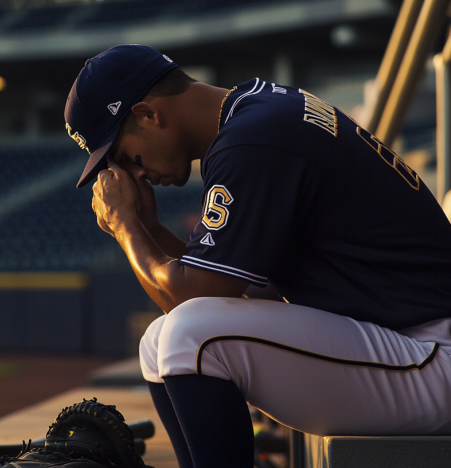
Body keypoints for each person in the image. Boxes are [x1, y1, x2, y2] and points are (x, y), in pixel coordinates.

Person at [64, 44, 451, 468]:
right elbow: (216, 291)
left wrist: (126, 226)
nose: (133, 173)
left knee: (188, 336)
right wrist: (151, 227)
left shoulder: (251, 141)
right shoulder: (257, 112)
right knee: (159, 342)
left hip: (433, 352)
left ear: (148, 114)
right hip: (405, 342)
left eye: (120, 155)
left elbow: (189, 301)